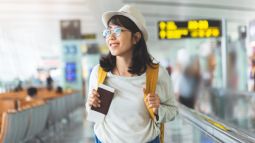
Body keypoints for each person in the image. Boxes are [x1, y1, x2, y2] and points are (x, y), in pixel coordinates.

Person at [86, 4, 178, 143]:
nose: (110, 37)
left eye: (117, 30)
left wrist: (158, 109)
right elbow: (94, 116)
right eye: (108, 32)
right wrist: (91, 104)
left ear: (136, 37)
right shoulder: (100, 73)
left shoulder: (156, 74)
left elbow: (173, 111)